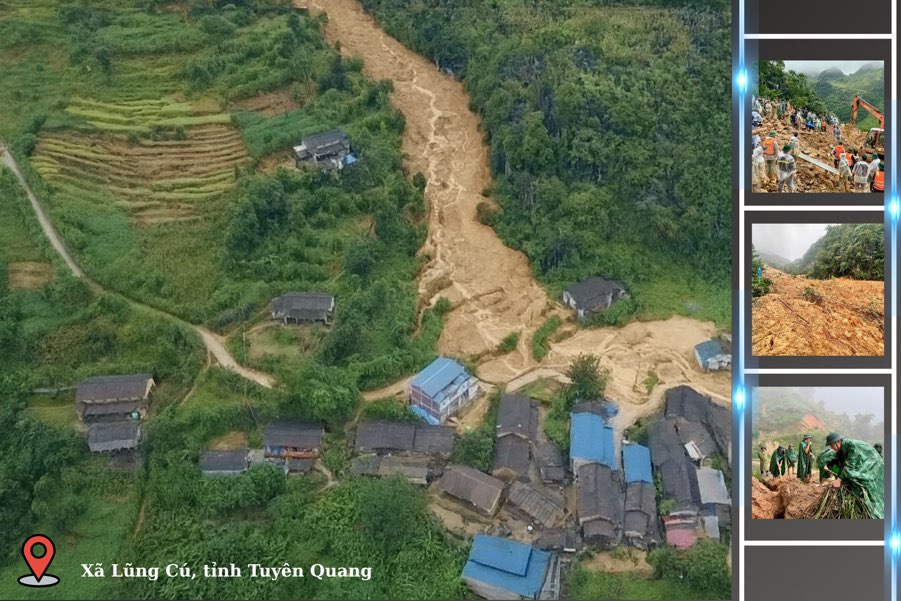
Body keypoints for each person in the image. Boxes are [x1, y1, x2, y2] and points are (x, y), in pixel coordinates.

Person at [825, 432, 884, 519]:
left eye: (831, 445)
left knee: (866, 484)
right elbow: (841, 465)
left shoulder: (851, 445)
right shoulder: (841, 449)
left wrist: (839, 480)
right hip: (864, 464)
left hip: (873, 465)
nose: (831, 448)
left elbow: (850, 467)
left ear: (837, 442)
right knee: (850, 478)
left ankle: (873, 512)